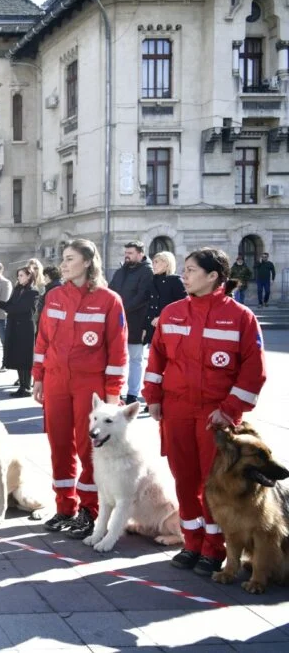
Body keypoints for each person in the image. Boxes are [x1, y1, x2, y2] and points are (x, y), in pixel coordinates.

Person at [143, 247, 266, 577]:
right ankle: (192, 542)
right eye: (184, 269)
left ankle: (214, 548)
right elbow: (156, 359)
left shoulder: (241, 317)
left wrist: (230, 410)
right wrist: (152, 396)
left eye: (191, 270)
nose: (184, 275)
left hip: (215, 416)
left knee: (213, 483)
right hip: (177, 411)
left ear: (213, 276)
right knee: (184, 479)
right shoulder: (172, 313)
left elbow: (253, 371)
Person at [33, 238, 128, 540]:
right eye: (63, 258)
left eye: (70, 258)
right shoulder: (54, 296)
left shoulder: (109, 300)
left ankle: (90, 511)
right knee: (59, 444)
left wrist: (112, 394)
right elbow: (42, 340)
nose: (63, 264)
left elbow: (118, 351)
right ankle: (65, 507)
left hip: (90, 385)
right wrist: (38, 377)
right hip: (56, 381)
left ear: (88, 262)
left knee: (88, 448)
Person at [108, 240, 154, 405]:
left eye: (130, 253)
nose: (126, 256)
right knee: (116, 358)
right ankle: (117, 392)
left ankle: (133, 394)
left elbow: (142, 297)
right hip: (117, 322)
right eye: (125, 253)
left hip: (136, 322)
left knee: (135, 359)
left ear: (140, 254)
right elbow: (111, 290)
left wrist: (120, 309)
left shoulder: (147, 272)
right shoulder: (121, 271)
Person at [0, 266, 40, 397]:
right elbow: (9, 304)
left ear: (29, 276)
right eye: (18, 275)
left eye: (22, 275)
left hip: (25, 329)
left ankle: (26, 387)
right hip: (14, 326)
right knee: (18, 357)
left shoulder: (33, 292)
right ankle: (22, 386)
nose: (19, 278)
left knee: (25, 358)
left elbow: (21, 308)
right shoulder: (18, 289)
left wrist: (8, 308)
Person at [144, 250, 186, 346]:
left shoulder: (176, 281)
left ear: (166, 263)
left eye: (156, 262)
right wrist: (144, 328)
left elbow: (183, 306)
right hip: (153, 331)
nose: (153, 265)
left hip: (171, 330)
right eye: (153, 262)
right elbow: (149, 306)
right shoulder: (152, 281)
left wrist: (163, 318)